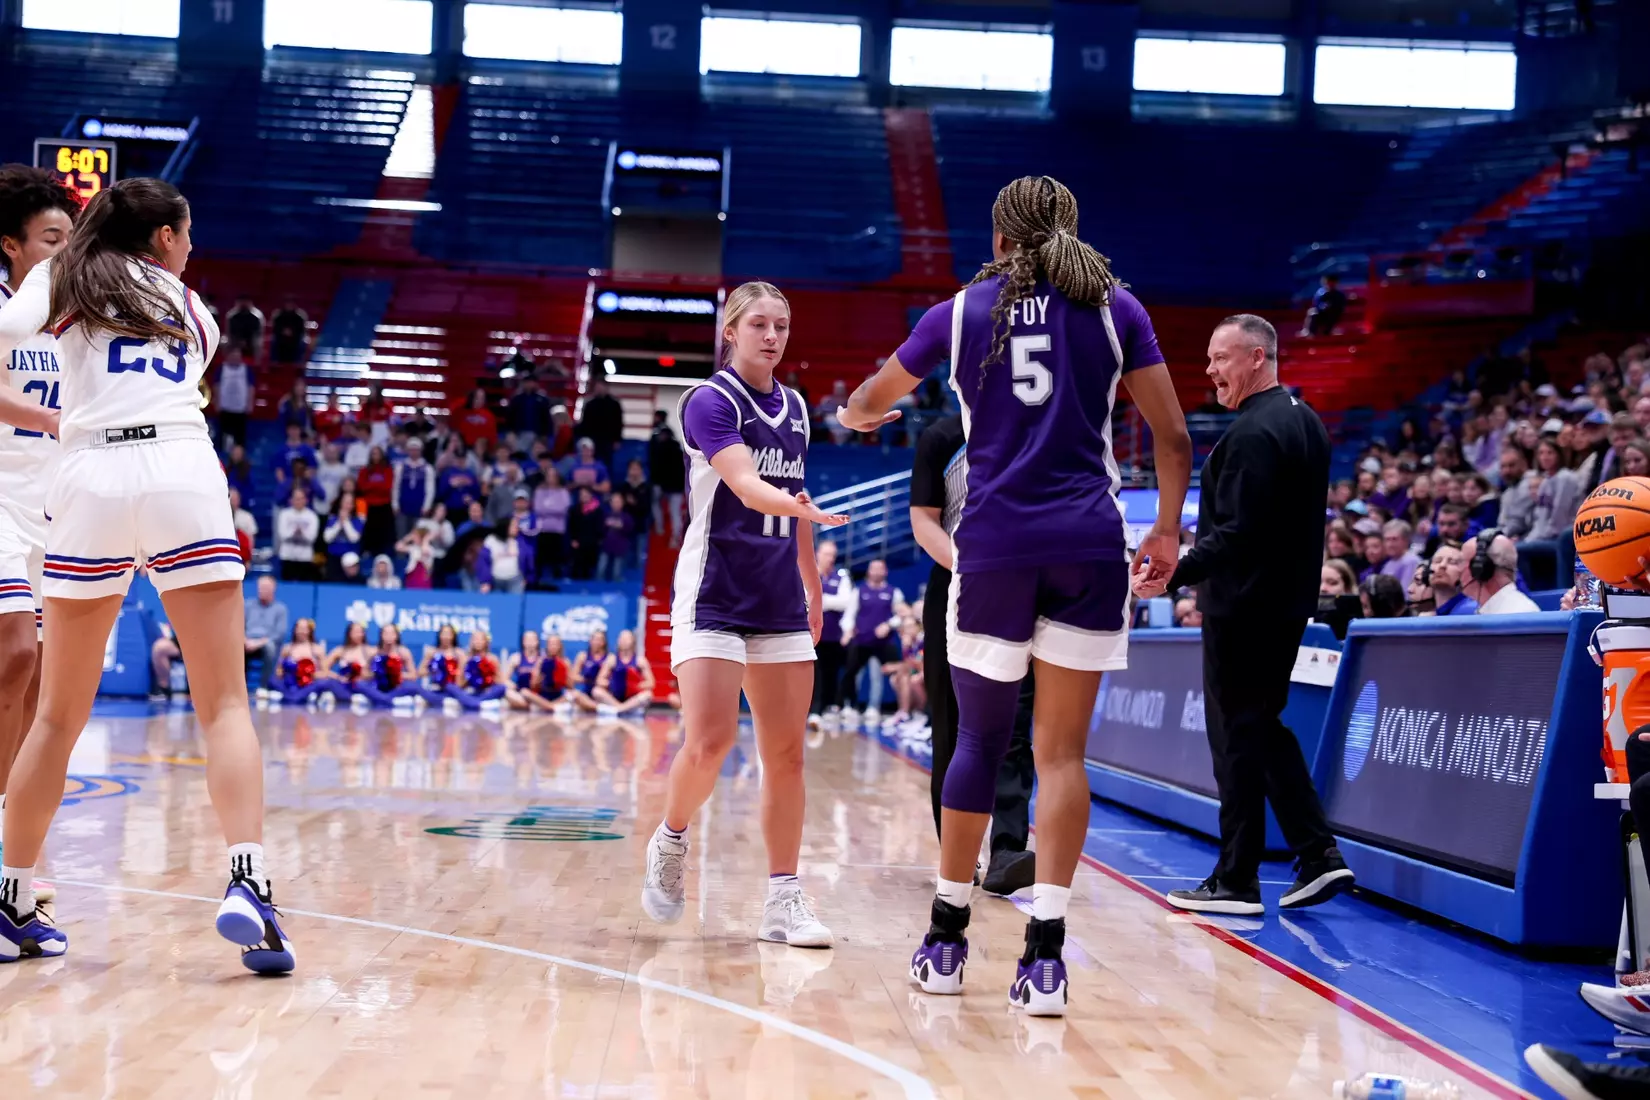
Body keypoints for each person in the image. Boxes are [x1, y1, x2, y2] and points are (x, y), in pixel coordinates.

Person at [839, 177, 1192, 1013]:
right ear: (1070, 230)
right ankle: (1046, 958)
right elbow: (1174, 437)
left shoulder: (957, 314)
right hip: (1088, 544)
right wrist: (1169, 530)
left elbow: (861, 404)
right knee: (1061, 756)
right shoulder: (1118, 309)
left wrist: (865, 420)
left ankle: (947, 939)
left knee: (977, 745)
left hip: (994, 548)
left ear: (998, 240)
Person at [0, 178, 293, 970]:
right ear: (164, 238)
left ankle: (10, 898)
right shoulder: (189, 304)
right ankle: (249, 884)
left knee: (57, 717)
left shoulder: (57, 276)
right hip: (178, 469)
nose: (191, 245)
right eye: (187, 233)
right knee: (225, 702)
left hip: (87, 473)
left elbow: (11, 334)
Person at [642, 281, 846, 951]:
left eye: (781, 325)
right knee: (711, 741)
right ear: (731, 331)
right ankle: (671, 839)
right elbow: (747, 483)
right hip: (714, 592)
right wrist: (798, 510)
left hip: (779, 596)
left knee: (786, 755)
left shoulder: (795, 407)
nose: (772, 335)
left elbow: (797, 496)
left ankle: (783, 899)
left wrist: (811, 583)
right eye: (758, 323)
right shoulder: (707, 402)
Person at [1138, 313, 1352, 918]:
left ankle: (1236, 879)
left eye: (1221, 359)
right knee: (1260, 726)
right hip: (1282, 603)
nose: (1210, 372)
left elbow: (1240, 533)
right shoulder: (1305, 422)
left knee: (1235, 737)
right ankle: (1318, 853)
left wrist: (1173, 571)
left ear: (1257, 357)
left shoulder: (1256, 433)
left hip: (1245, 605)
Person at [907, 413, 1037, 897]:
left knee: (1014, 723)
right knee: (952, 725)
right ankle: (958, 855)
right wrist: (971, 566)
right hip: (955, 584)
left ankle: (1007, 849)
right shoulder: (942, 436)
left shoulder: (1032, 424)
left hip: (1022, 585)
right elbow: (924, 521)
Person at [0, 164, 75, 873]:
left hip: (51, 506)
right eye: (50, 238)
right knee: (16, 653)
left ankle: (13, 848)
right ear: (12, 248)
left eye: (71, 238)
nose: (64, 251)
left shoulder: (75, 318)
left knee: (42, 678)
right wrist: (57, 419)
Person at [837, 559, 906, 728]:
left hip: (883, 642)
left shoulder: (893, 592)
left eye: (879, 569)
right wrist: (847, 630)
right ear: (868, 571)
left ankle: (874, 708)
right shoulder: (859, 591)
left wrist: (889, 624)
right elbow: (850, 614)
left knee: (881, 675)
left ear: (885, 571)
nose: (876, 572)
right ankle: (850, 706)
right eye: (873, 569)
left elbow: (902, 613)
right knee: (853, 674)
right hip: (862, 640)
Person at [806, 539, 851, 729]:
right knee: (813, 673)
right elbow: (805, 597)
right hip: (809, 633)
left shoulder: (842, 577)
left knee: (831, 674)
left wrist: (820, 600)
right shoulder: (807, 573)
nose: (830, 558)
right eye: (826, 554)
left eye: (833, 555)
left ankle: (824, 709)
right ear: (817, 553)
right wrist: (824, 601)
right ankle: (812, 711)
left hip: (833, 635)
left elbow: (845, 602)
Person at [1461, 530, 1540, 614]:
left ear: (1481, 569)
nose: (1459, 569)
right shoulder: (1491, 609)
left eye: (1462, 562)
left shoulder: (1519, 612)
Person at [594, 629, 654, 716]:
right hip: (615, 697)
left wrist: (635, 685)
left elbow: (651, 683)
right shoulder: (612, 659)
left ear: (632, 641)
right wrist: (611, 684)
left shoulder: (640, 660)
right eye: (622, 638)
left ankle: (618, 710)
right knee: (596, 691)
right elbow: (599, 680)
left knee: (648, 695)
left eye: (626, 639)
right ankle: (624, 709)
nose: (624, 641)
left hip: (632, 697)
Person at [243, 575, 288, 691]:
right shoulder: (248, 605)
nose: (262, 590)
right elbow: (238, 626)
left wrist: (259, 643)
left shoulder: (280, 609)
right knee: (236, 647)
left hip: (266, 642)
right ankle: (239, 687)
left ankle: (264, 687)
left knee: (270, 648)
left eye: (266, 587)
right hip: (247, 641)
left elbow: (279, 633)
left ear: (273, 589)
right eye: (260, 587)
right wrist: (245, 640)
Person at [648, 421, 686, 548]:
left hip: (669, 486)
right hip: (670, 486)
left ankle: (667, 533)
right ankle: (668, 533)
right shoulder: (677, 449)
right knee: (670, 510)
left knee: (674, 512)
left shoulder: (661, 449)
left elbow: (658, 469)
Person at [531, 466, 570, 584]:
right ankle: (537, 582)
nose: (551, 478)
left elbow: (563, 509)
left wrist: (547, 510)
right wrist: (553, 510)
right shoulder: (539, 491)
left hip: (557, 531)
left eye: (553, 476)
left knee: (557, 559)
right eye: (549, 476)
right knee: (540, 558)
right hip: (542, 529)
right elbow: (538, 509)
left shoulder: (563, 492)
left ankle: (557, 582)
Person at [212, 344, 252, 451]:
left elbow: (250, 387)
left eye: (237, 356)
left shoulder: (246, 369)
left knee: (240, 437)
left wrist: (249, 403)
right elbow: (216, 386)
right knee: (224, 436)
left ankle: (240, 457)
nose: (235, 358)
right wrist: (217, 402)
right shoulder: (221, 369)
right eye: (233, 356)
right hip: (225, 408)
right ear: (228, 356)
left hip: (240, 409)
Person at [393, 437, 435, 538]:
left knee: (418, 536)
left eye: (416, 449)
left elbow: (430, 489)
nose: (414, 452)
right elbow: (396, 486)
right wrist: (395, 504)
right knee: (401, 534)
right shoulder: (401, 467)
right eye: (411, 449)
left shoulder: (427, 468)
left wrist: (427, 506)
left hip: (419, 507)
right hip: (403, 506)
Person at [275, 487, 320, 581]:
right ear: (291, 500)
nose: (298, 501)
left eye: (301, 498)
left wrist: (302, 533)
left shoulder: (312, 516)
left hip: (305, 558)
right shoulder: (284, 514)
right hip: (287, 556)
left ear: (306, 500)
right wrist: (294, 532)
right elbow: (282, 535)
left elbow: (312, 537)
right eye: (296, 498)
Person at [1427, 541, 1477, 616]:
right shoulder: (1432, 614)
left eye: (1452, 562)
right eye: (1437, 561)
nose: (1442, 565)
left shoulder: (1469, 610)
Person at [569, 627, 610, 714]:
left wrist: (598, 680)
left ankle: (599, 707)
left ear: (604, 642)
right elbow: (573, 676)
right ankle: (600, 709)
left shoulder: (610, 658)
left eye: (600, 639)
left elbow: (610, 681)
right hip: (586, 693)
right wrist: (586, 679)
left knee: (598, 692)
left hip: (602, 693)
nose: (597, 642)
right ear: (590, 641)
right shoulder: (583, 656)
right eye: (595, 639)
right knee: (574, 695)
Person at [598, 490, 634, 581]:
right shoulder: (606, 515)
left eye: (618, 502)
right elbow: (600, 529)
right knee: (601, 568)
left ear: (622, 503)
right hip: (606, 545)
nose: (616, 504)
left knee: (616, 571)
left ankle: (617, 586)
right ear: (610, 503)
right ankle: (598, 585)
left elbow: (629, 529)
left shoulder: (626, 517)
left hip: (620, 546)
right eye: (614, 502)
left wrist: (622, 526)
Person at [1378, 519, 1422, 590]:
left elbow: (1406, 593)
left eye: (1394, 539)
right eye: (1387, 539)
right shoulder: (1388, 564)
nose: (1390, 544)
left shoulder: (1411, 561)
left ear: (1406, 540)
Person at [269, 297, 308, 365]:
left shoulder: (300, 315)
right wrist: (283, 331)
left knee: (301, 343)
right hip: (280, 337)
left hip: (295, 338)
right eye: (287, 303)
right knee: (273, 341)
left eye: (291, 303)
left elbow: (302, 330)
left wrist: (292, 332)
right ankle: (274, 364)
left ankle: (298, 365)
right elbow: (275, 328)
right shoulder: (278, 314)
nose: (289, 305)